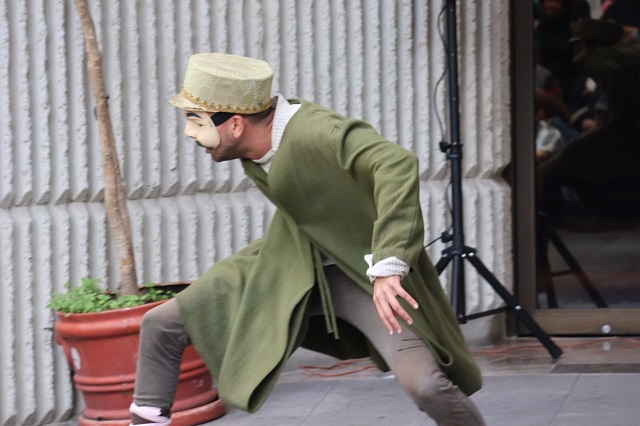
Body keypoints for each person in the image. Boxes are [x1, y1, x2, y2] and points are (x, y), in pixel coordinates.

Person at [128, 53, 486, 426]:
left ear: (235, 124)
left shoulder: (315, 132)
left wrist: (388, 264)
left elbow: (395, 163)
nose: (189, 132)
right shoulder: (254, 143)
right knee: (162, 323)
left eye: (195, 120)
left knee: (426, 385)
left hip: (363, 276)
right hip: (290, 260)